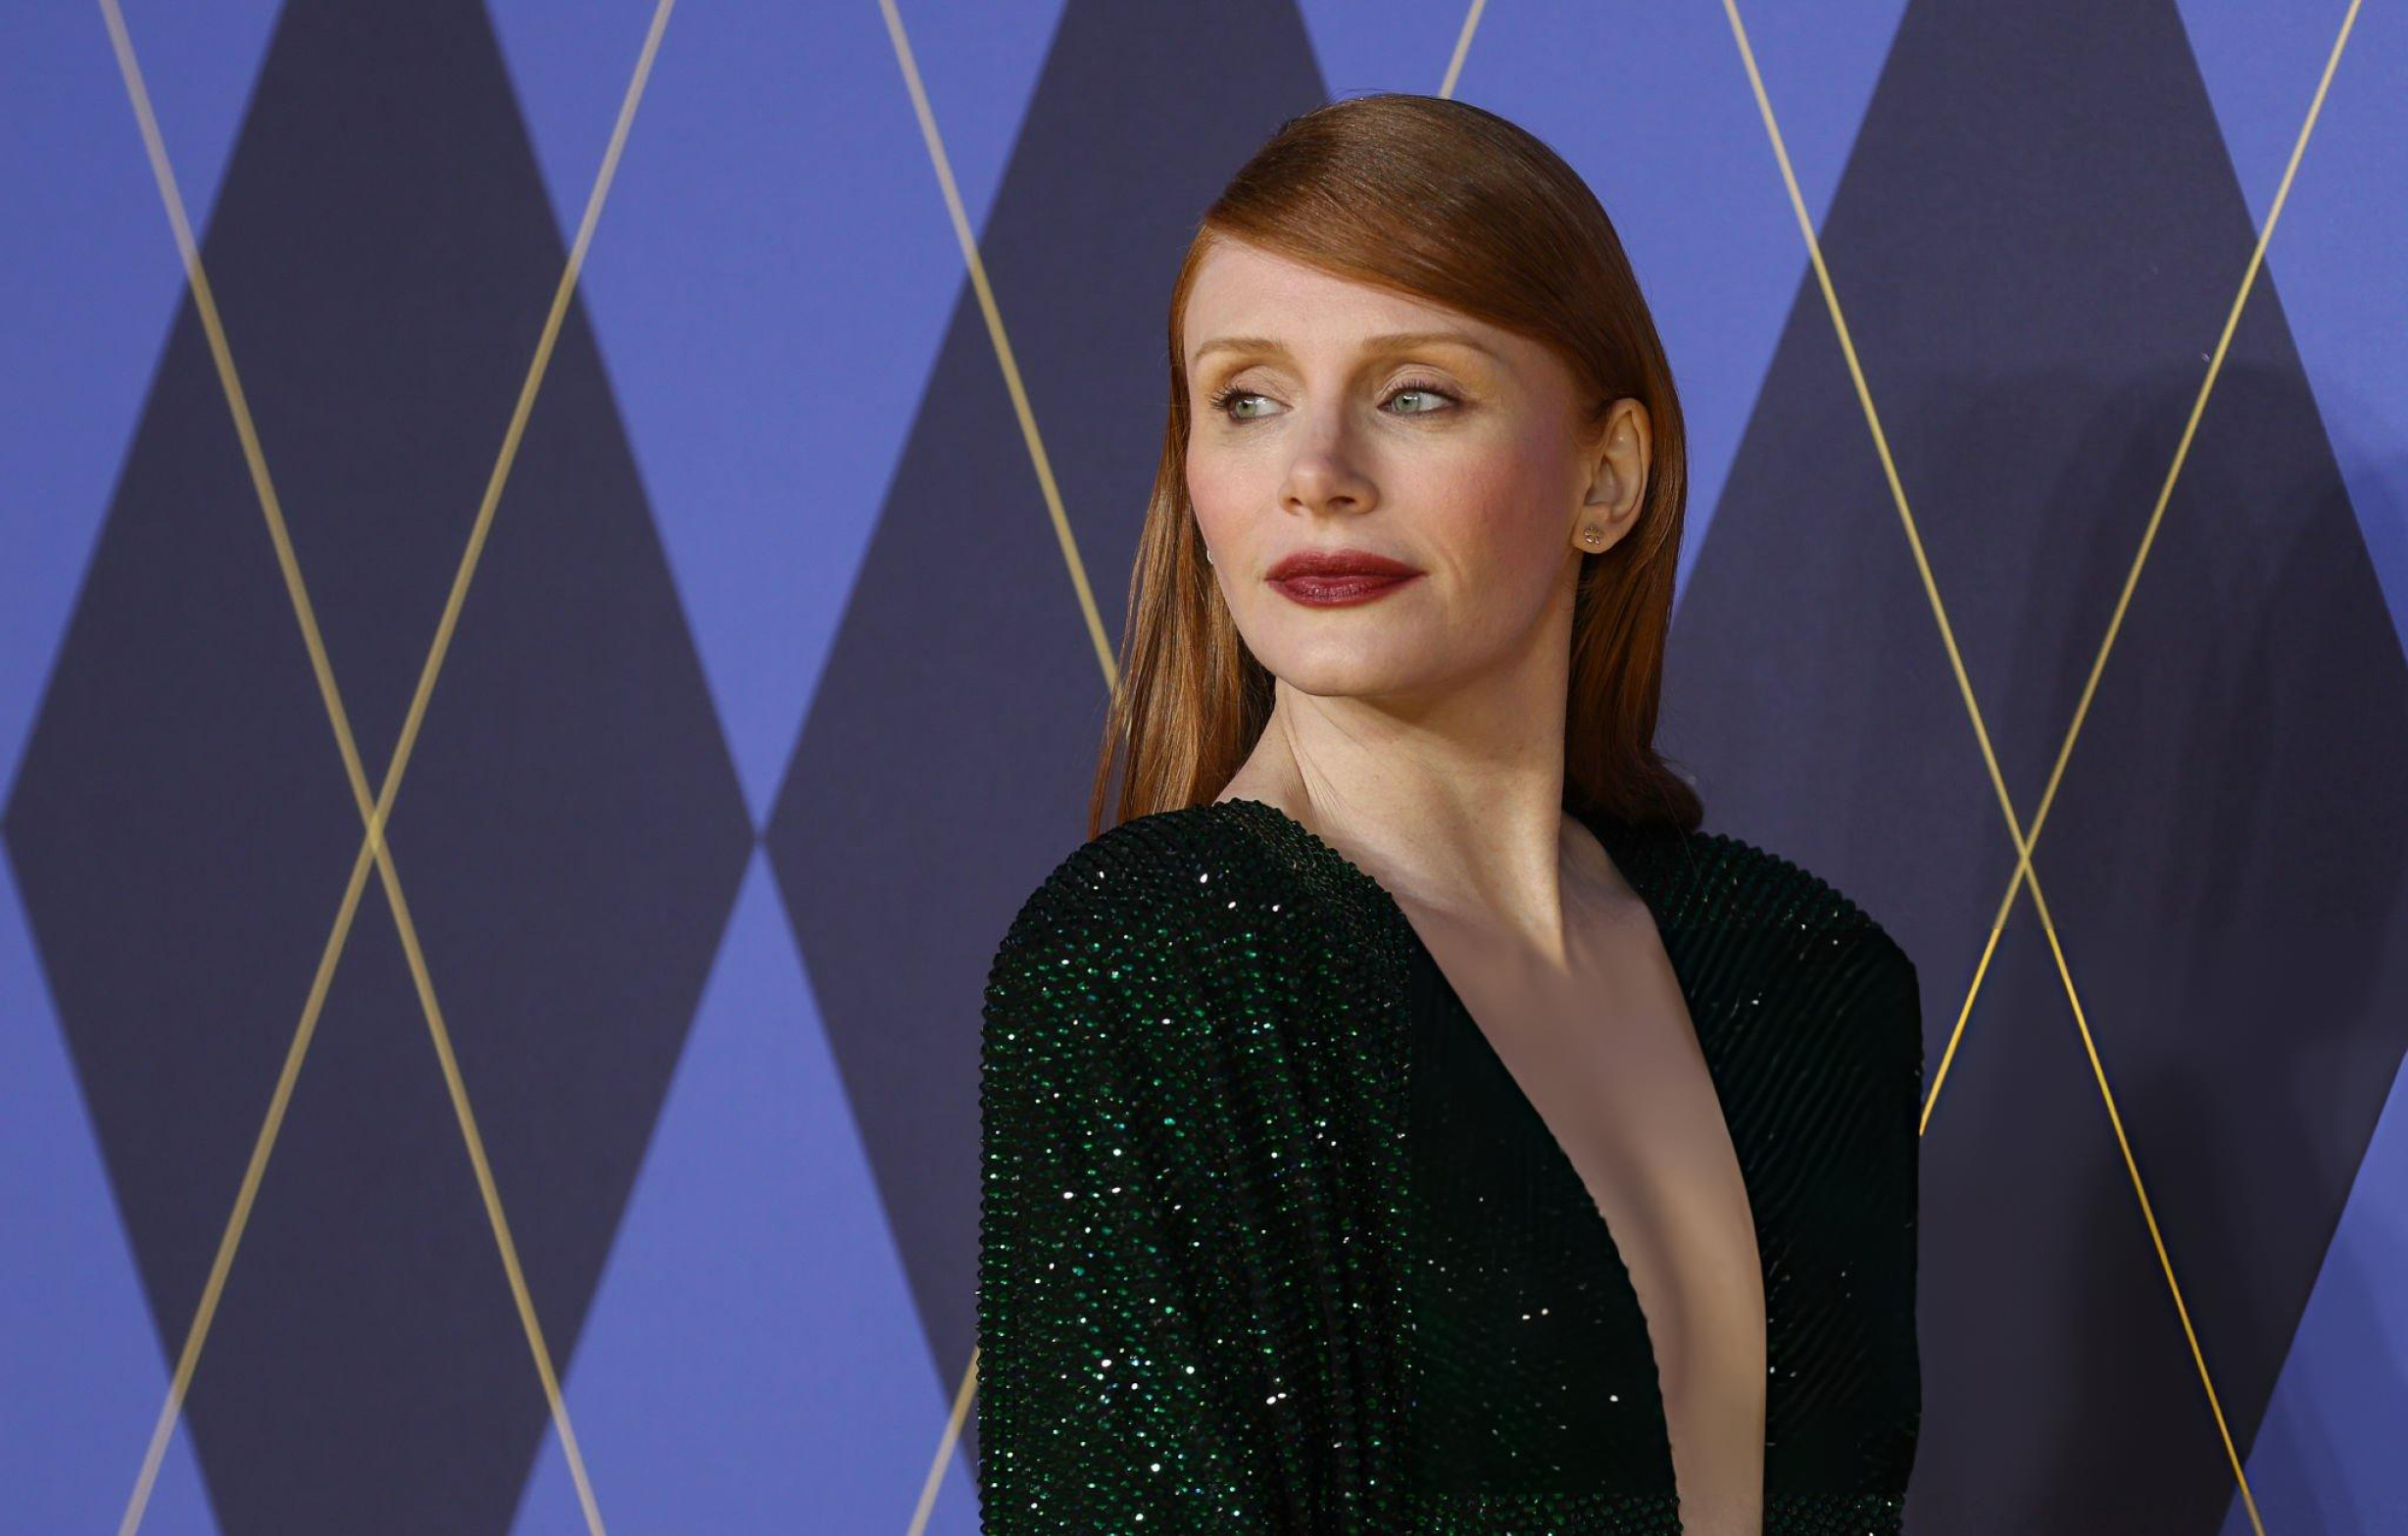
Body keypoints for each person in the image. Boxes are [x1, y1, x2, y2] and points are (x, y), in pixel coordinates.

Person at [975, 92, 1922, 1535]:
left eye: (1415, 393)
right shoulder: (1154, 965)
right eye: (1246, 399)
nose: (1315, 476)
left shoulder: (1804, 972)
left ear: (1607, 476)